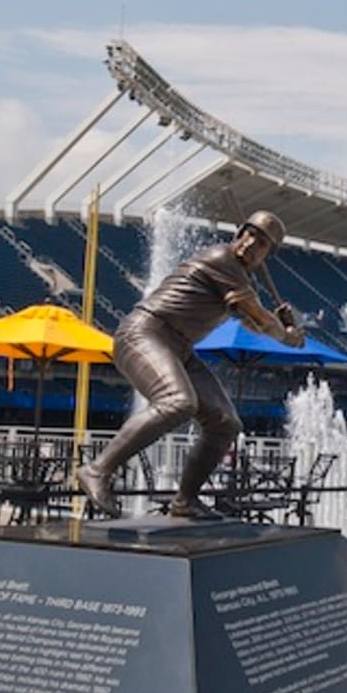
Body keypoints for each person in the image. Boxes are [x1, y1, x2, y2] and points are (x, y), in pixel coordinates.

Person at [77, 211, 304, 519]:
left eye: (262, 243)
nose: (251, 243)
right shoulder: (222, 257)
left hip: (178, 346)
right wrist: (288, 335)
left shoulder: (240, 277)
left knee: (226, 423)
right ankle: (97, 470)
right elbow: (259, 317)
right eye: (248, 234)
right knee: (178, 402)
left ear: (267, 255)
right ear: (239, 233)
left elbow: (253, 322)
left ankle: (185, 501)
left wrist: (284, 327)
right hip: (144, 333)